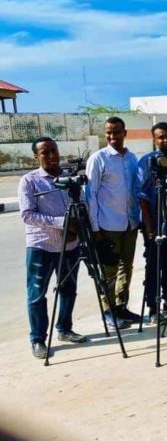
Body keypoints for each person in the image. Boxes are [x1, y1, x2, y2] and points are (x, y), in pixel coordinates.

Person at [19, 137, 88, 359]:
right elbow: (27, 215)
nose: (51, 156)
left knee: (68, 289)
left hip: (70, 244)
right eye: (45, 153)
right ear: (36, 157)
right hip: (41, 246)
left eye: (54, 151)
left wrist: (80, 225)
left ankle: (64, 329)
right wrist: (61, 222)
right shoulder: (29, 181)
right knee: (37, 295)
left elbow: (82, 204)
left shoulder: (69, 178)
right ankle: (38, 339)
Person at [86, 117, 140, 330]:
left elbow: (136, 190)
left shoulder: (132, 158)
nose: (112, 136)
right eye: (108, 133)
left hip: (130, 223)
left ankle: (121, 306)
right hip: (107, 225)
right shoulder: (98, 159)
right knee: (108, 271)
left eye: (116, 132)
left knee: (126, 268)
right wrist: (94, 229)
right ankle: (108, 311)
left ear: (124, 133)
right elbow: (90, 195)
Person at [134, 122, 167, 324]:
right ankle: (153, 307)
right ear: (154, 140)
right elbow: (141, 195)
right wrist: (148, 227)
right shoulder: (147, 162)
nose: (165, 140)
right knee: (154, 265)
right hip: (154, 220)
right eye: (160, 137)